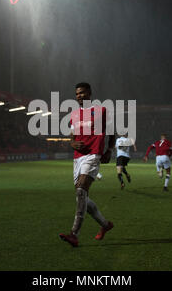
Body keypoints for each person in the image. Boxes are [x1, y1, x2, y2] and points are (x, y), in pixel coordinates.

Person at [59, 82, 115, 247]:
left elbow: (112, 132)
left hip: (92, 155)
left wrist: (109, 150)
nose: (79, 96)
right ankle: (105, 225)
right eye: (77, 94)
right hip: (78, 158)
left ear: (90, 93)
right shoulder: (74, 114)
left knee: (82, 189)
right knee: (80, 195)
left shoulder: (101, 111)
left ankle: (74, 234)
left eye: (82, 93)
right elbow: (72, 135)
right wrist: (71, 143)